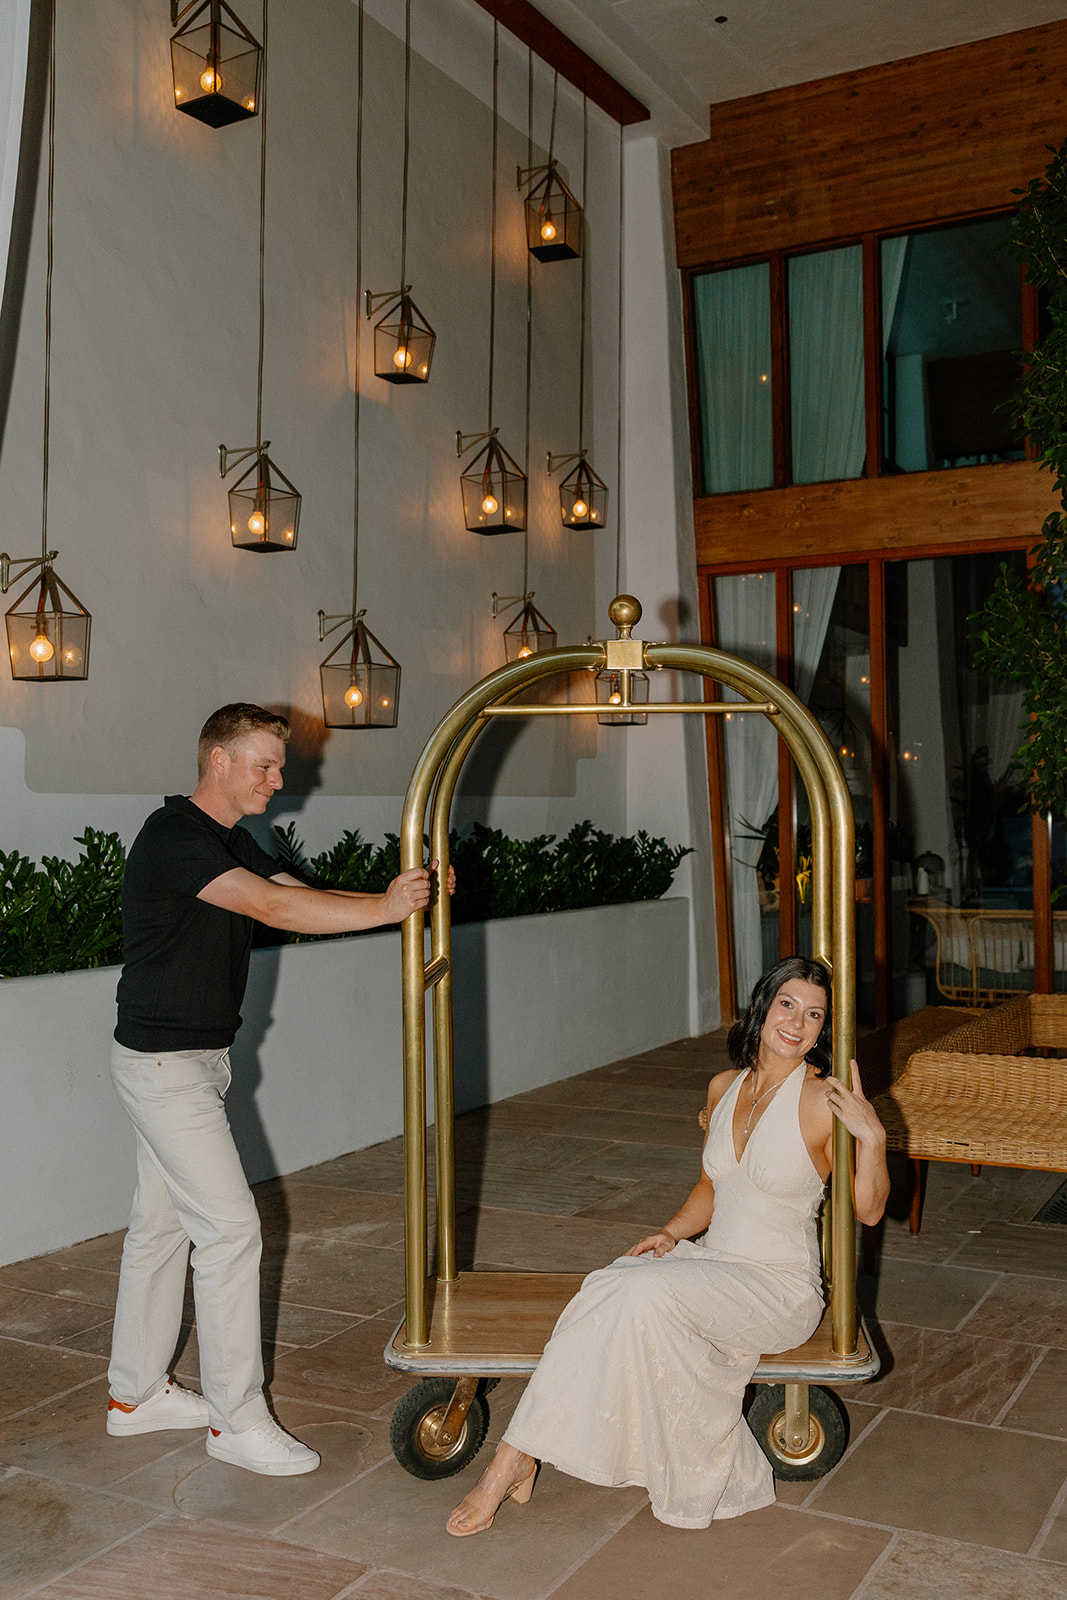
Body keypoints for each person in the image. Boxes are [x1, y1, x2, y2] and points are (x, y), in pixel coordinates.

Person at [107, 703, 448, 1477]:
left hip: (190, 1061)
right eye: (263, 764)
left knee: (161, 1230)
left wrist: (401, 899)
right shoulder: (174, 838)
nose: (278, 778)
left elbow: (292, 891)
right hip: (164, 1068)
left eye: (278, 765)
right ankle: (235, 1421)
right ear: (218, 761)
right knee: (230, 1233)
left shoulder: (227, 840)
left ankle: (134, 1397)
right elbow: (269, 906)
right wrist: (389, 908)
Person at [446, 956, 889, 1534]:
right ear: (763, 1006)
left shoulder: (819, 1101)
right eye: (787, 1004)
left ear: (824, 1029)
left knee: (641, 1293)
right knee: (612, 1281)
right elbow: (712, 1185)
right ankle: (521, 1454)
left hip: (777, 1289)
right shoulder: (725, 1087)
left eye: (814, 1014)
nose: (797, 1023)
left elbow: (870, 1210)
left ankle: (507, 1462)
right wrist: (673, 1233)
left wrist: (873, 1137)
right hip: (713, 1268)